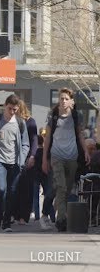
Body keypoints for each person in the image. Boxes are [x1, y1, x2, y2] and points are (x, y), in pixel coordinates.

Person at [42, 88, 90, 232]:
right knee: (61, 188)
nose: (63, 101)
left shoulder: (76, 116)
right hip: (57, 156)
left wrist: (86, 151)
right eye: (61, 98)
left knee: (67, 190)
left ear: (71, 101)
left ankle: (58, 211)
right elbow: (48, 138)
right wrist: (45, 158)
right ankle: (61, 220)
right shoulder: (53, 115)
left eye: (66, 99)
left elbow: (80, 135)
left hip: (72, 157)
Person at [0, 94, 30, 232]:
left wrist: (21, 159)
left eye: (15, 110)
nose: (12, 112)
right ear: (5, 106)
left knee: (11, 192)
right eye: (10, 109)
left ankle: (6, 222)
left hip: (14, 163)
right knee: (2, 188)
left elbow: (25, 144)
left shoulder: (20, 123)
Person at [14, 100, 38, 225]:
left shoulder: (30, 122)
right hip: (13, 158)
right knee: (14, 188)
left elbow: (34, 140)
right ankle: (14, 214)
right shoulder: (12, 122)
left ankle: (23, 216)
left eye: (16, 108)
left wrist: (33, 156)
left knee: (26, 189)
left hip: (27, 159)